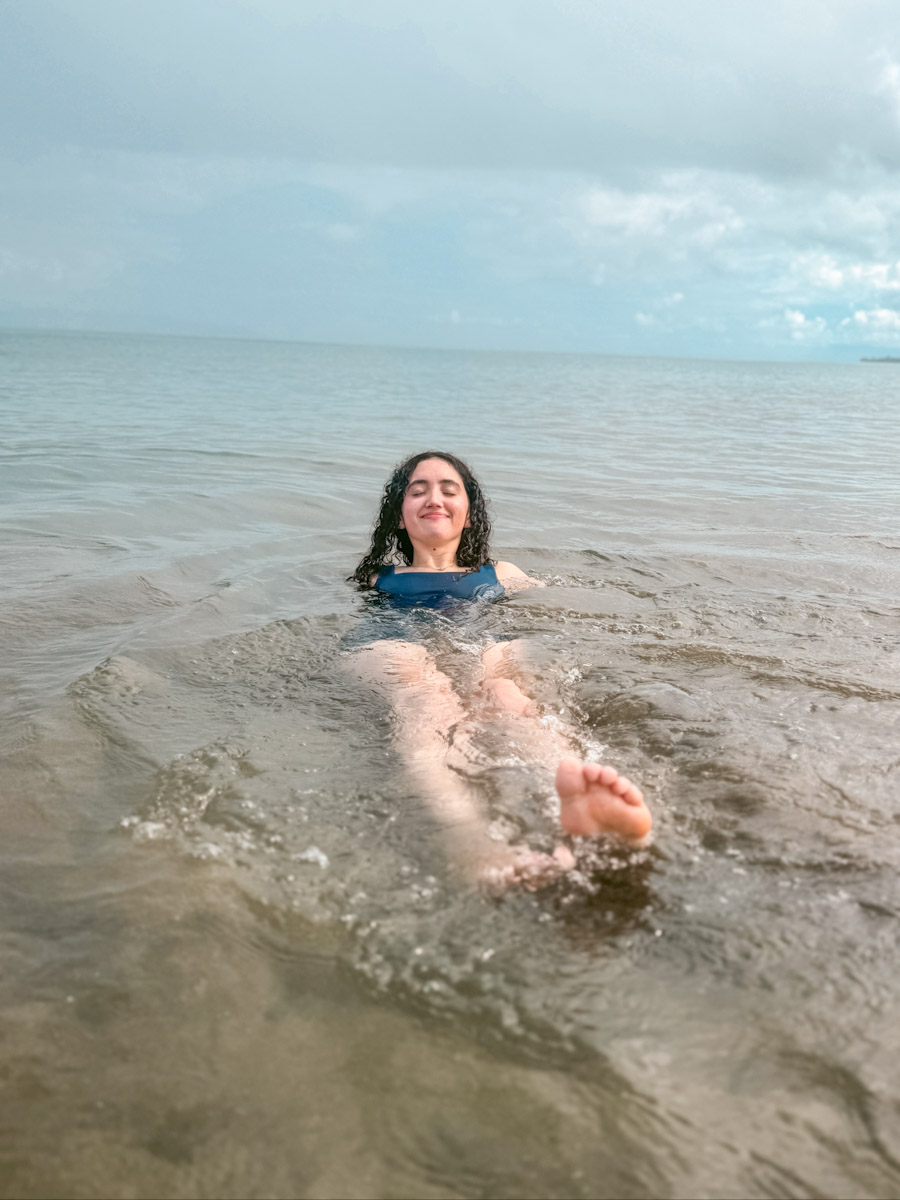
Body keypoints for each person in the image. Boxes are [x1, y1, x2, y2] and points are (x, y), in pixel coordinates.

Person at [346, 450, 652, 890]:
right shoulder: (375, 578)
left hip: (480, 641)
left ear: (468, 516)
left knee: (503, 681)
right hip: (391, 642)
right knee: (425, 691)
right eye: (418, 491)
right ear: (399, 515)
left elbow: (561, 608)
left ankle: (574, 796)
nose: (434, 498)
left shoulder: (502, 573)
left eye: (449, 490)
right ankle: (472, 839)